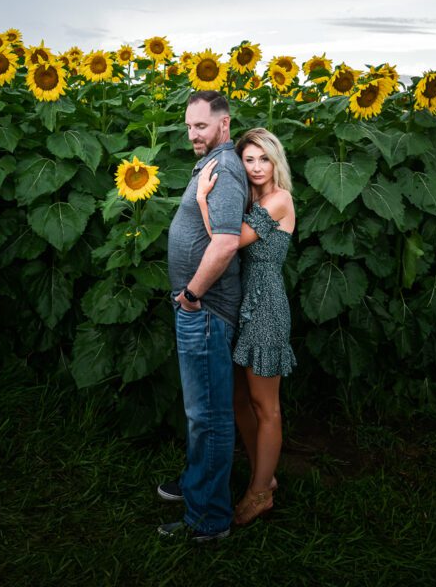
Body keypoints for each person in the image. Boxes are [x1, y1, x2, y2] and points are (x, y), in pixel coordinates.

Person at [157, 90, 249, 543]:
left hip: (206, 308)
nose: (192, 134)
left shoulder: (227, 169)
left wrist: (192, 294)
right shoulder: (212, 162)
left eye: (201, 126)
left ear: (224, 124)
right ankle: (197, 488)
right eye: (189, 126)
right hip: (198, 306)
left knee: (209, 415)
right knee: (201, 413)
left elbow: (227, 241)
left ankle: (210, 520)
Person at [196, 127, 296, 526]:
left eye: (263, 159)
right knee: (241, 399)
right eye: (248, 160)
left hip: (267, 305)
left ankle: (258, 494)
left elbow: (229, 240)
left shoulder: (278, 199)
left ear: (276, 162)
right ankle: (263, 477)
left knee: (265, 405)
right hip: (244, 303)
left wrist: (204, 200)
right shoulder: (254, 198)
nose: (256, 167)